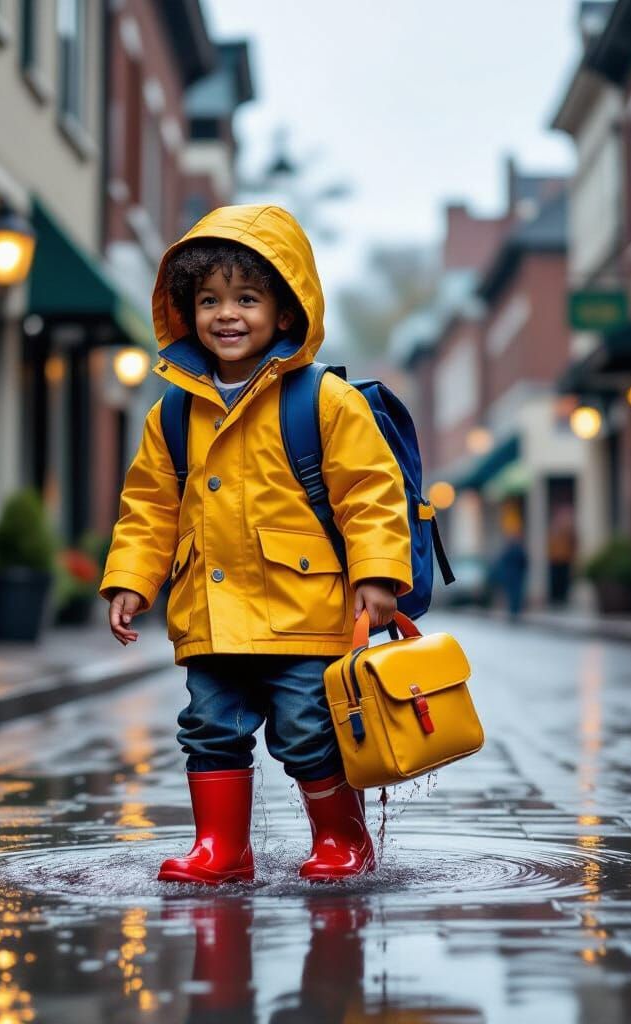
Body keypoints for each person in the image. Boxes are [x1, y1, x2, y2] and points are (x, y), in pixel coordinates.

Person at [98, 205, 413, 885]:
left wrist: (378, 573)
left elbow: (369, 490)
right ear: (187, 310)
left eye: (247, 297)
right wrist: (131, 579)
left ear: (286, 310)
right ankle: (222, 847)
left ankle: (341, 838)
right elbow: (150, 505)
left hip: (303, 616)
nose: (226, 314)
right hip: (210, 619)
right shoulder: (174, 411)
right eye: (208, 300)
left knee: (309, 731)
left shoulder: (322, 400)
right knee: (209, 728)